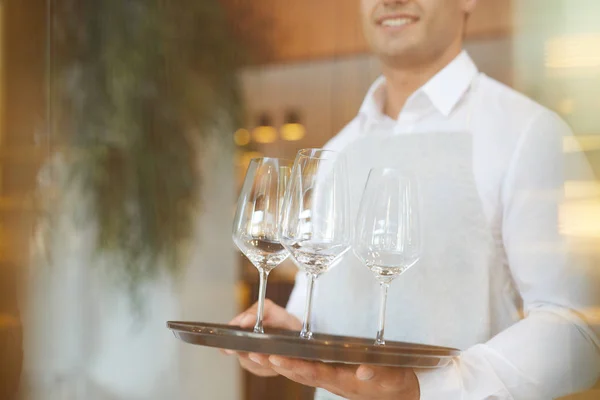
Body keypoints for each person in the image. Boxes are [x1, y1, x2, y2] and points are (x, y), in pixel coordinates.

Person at [227, 0, 600, 399]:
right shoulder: (338, 150)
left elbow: (578, 331)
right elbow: (319, 302)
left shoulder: (528, 134)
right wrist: (287, 330)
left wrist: (426, 389)